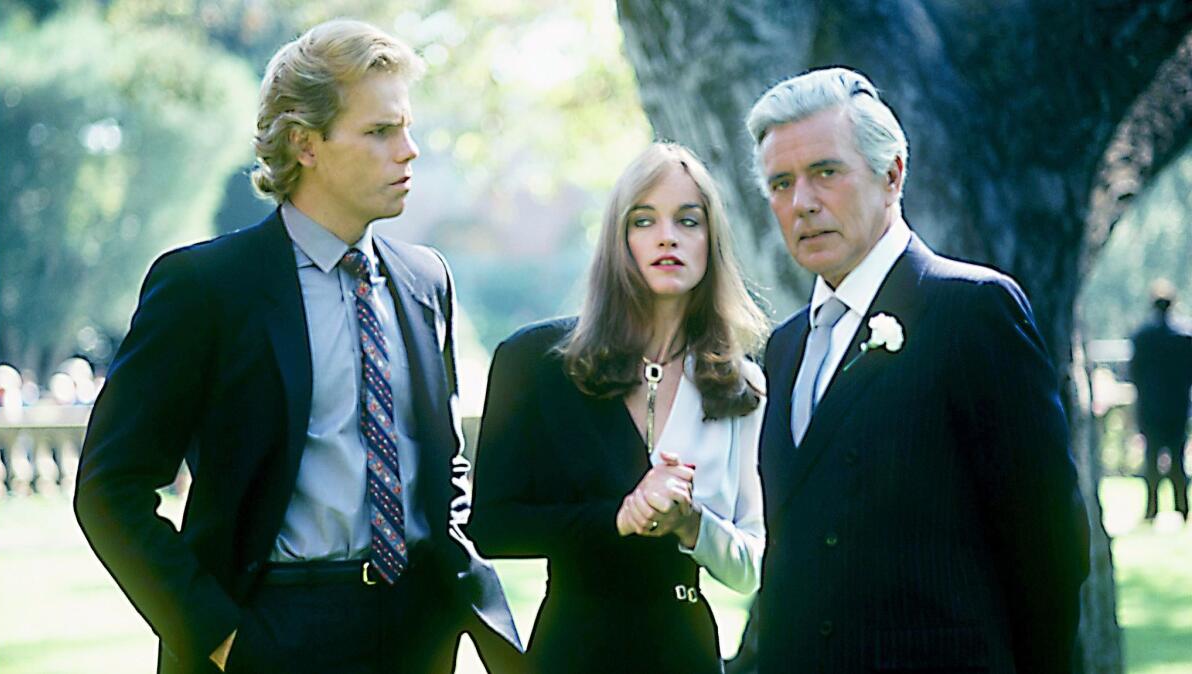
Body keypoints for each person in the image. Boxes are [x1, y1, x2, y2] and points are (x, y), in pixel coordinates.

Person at [74, 19, 519, 674]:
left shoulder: (427, 279)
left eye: (406, 126)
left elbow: (442, 461)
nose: (410, 150)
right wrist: (221, 638)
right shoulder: (206, 289)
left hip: (418, 634)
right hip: (275, 631)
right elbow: (109, 489)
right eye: (380, 131)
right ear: (304, 144)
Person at [746, 68, 1090, 673]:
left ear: (892, 175)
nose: (802, 202)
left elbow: (1050, 546)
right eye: (781, 182)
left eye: (826, 171)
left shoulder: (971, 310)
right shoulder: (786, 347)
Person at [467, 142, 768, 673]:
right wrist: (618, 518)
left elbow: (751, 568)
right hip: (574, 645)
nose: (668, 236)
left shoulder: (739, 385)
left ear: (711, 241)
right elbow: (492, 528)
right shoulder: (535, 363)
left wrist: (692, 524)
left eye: (688, 221)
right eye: (644, 220)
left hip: (685, 650)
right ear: (617, 239)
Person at [1130, 281, 1192, 521]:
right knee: (1177, 460)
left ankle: (1152, 508)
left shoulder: (1142, 337)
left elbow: (1134, 373)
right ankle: (1182, 507)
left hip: (1151, 406)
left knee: (1151, 461)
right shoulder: (1184, 337)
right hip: (1177, 407)